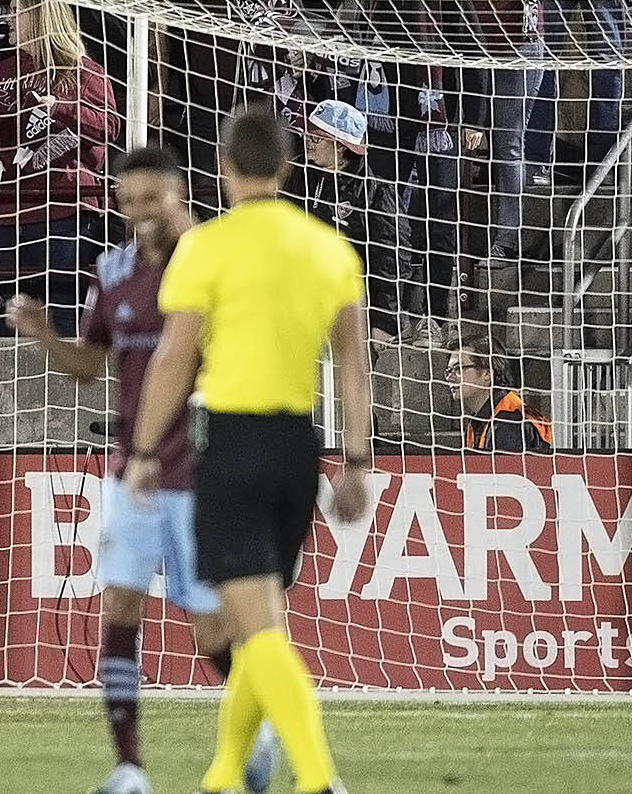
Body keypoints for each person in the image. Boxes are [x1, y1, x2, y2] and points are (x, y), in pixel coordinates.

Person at [5, 144, 270, 794]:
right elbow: (91, 367)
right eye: (129, 201)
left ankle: (258, 722)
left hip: (204, 469)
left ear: (180, 195)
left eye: (152, 199)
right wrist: (42, 333)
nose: (140, 212)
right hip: (133, 469)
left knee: (210, 624)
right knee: (120, 603)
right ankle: (129, 768)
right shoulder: (113, 268)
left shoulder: (218, 260)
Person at [124, 106, 371, 794]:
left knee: (258, 635)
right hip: (300, 447)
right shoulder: (329, 249)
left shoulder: (207, 247)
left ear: (224, 168)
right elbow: (354, 365)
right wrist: (355, 462)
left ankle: (320, 779)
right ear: (287, 167)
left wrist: (145, 449)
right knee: (259, 620)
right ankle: (224, 774)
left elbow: (173, 355)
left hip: (231, 444)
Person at [449, 343, 552, 448]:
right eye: (448, 371)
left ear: (487, 374)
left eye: (458, 369)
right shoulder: (480, 420)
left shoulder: (508, 422)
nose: (450, 378)